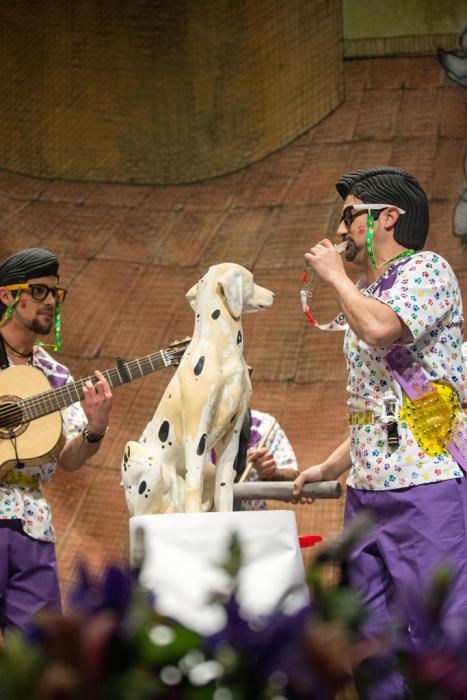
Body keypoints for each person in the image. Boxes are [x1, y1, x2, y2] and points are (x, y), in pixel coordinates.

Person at [293, 167, 466, 699]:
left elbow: (380, 330)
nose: (340, 228)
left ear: (388, 218)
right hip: (367, 496)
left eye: (350, 214)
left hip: (426, 487)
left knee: (442, 636)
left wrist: (335, 278)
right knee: (368, 641)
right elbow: (381, 407)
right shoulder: (369, 289)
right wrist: (330, 466)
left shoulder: (428, 270)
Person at [0, 248, 112, 634]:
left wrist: (94, 428)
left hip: (31, 524)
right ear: (7, 296)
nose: (50, 301)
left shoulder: (56, 374)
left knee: (39, 653)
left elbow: (68, 458)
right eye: (39, 291)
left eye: (55, 293)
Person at [234, 407, 299, 511]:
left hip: (253, 523)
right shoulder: (199, 425)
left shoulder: (264, 425)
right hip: (204, 522)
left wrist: (272, 473)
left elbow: (295, 480)